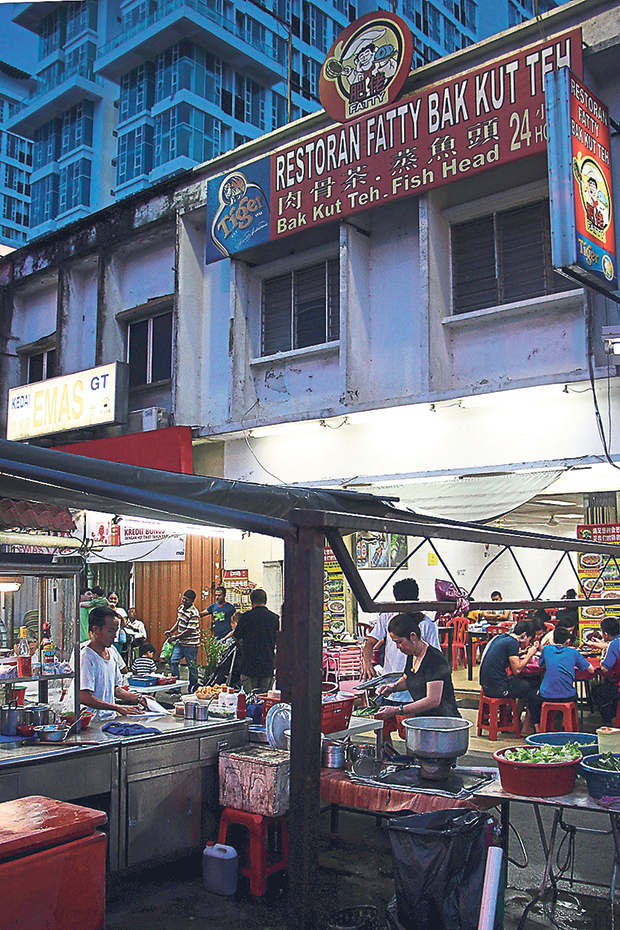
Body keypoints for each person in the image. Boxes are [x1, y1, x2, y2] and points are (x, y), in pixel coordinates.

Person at [375, 613, 460, 721]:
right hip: (423, 720)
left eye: (399, 642)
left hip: (443, 721)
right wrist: (393, 687)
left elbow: (433, 700)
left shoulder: (435, 660)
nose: (397, 647)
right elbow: (408, 678)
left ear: (413, 636)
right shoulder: (412, 656)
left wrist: (397, 710)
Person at [362, 577, 439, 680]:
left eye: (399, 642)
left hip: (416, 684)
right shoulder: (387, 616)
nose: (398, 647)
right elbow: (370, 643)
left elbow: (436, 657)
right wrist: (367, 663)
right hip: (390, 680)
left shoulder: (427, 624)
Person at [80, 607, 147, 718]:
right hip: (92, 722)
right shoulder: (87, 656)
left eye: (116, 631)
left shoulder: (112, 653)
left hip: (109, 719)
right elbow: (83, 696)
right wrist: (117, 707)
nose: (115, 635)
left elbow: (115, 689)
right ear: (96, 630)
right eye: (111, 631)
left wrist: (139, 698)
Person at [527, 627, 594, 731]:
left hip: (546, 696)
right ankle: (570, 726)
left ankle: (538, 728)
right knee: (574, 695)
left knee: (531, 696)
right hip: (568, 696)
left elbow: (541, 664)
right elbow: (590, 670)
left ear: (553, 640)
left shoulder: (547, 649)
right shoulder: (574, 652)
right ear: (568, 641)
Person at [479, 620, 538, 731]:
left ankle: (511, 718)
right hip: (496, 688)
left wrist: (522, 654)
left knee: (520, 684)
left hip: (486, 685)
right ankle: (525, 725)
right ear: (524, 635)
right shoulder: (513, 643)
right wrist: (530, 654)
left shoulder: (501, 637)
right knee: (530, 685)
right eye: (529, 641)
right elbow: (517, 670)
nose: (528, 644)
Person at [233, 588, 279, 692]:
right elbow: (277, 640)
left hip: (249, 665)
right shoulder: (274, 618)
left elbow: (236, 636)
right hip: (267, 664)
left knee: (250, 699)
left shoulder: (245, 618)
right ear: (265, 601)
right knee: (265, 698)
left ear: (251, 601)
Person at [165, 589, 201, 692]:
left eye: (187, 600)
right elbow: (179, 622)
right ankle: (175, 687)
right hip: (180, 643)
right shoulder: (180, 608)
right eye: (183, 599)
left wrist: (175, 637)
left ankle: (193, 688)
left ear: (192, 601)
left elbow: (189, 631)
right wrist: (171, 631)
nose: (184, 601)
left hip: (191, 644)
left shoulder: (194, 613)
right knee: (173, 661)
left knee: (192, 667)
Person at [592, 617, 620, 725]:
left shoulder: (615, 644)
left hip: (619, 687)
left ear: (606, 634)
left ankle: (613, 721)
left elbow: (605, 668)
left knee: (597, 691)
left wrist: (602, 658)